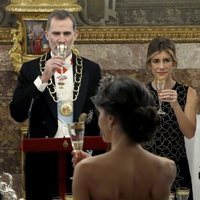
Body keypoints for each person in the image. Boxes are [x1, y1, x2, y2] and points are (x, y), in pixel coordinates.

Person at [9, 9, 101, 200]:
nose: (61, 40)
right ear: (46, 35)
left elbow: (101, 115)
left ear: (76, 35)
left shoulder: (91, 69)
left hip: (81, 156)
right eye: (56, 33)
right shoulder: (31, 69)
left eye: (67, 33)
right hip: (43, 157)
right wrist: (42, 79)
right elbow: (17, 113)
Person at [72, 75, 176, 200]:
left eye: (100, 113)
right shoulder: (165, 168)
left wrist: (91, 163)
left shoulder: (85, 170)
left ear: (110, 119)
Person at [143, 36, 198, 200]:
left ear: (174, 62)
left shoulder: (188, 92)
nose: (161, 66)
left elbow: (189, 132)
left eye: (166, 60)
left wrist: (175, 105)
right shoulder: (140, 93)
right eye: (156, 61)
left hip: (176, 169)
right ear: (149, 64)